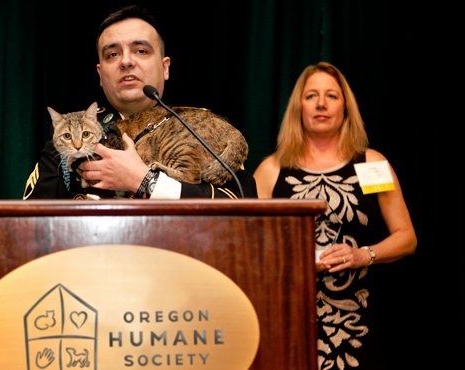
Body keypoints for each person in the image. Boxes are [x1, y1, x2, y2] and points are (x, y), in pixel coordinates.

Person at [253, 62, 417, 369]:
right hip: (289, 321)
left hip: (356, 325)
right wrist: (294, 260)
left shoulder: (370, 165)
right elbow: (250, 247)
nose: (321, 104)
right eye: (311, 95)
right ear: (298, 107)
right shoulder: (271, 169)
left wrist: (362, 255)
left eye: (332, 95)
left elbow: (406, 238)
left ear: (346, 106)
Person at [23, 5, 257, 200]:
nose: (126, 61)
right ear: (100, 74)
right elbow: (32, 215)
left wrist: (145, 182)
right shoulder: (68, 138)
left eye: (141, 51)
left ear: (165, 68)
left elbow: (241, 203)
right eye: (112, 54)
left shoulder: (203, 128)